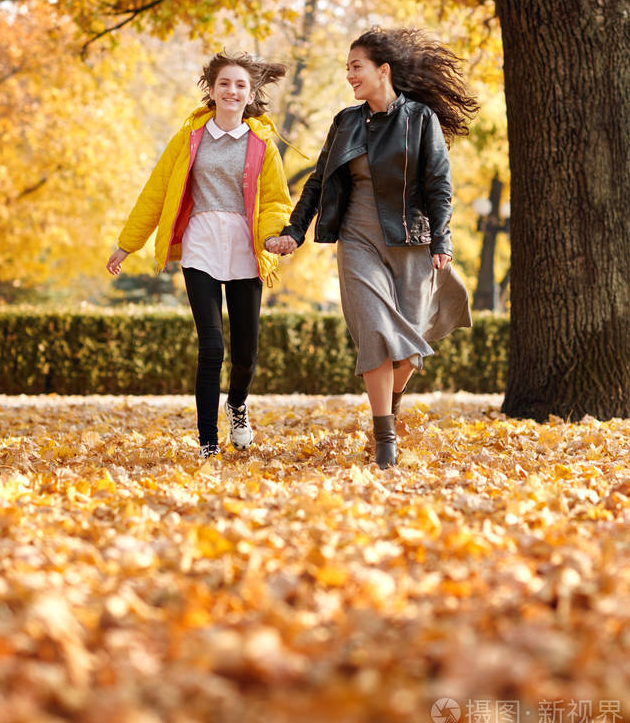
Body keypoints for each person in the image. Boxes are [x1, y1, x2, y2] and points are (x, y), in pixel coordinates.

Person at [266, 27, 478, 469]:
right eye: (346, 68)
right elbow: (319, 181)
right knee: (377, 333)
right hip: (357, 239)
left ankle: (390, 410)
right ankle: (386, 444)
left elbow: (439, 183)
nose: (349, 75)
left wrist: (442, 238)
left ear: (383, 70)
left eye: (356, 66)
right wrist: (295, 230)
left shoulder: (420, 119)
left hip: (410, 240)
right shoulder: (346, 121)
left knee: (408, 348)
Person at [107, 51, 293, 458]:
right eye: (224, 83)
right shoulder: (189, 137)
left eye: (240, 85)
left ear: (250, 94)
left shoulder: (263, 145)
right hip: (201, 244)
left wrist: (272, 237)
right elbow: (156, 192)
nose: (232, 90)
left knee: (246, 353)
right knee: (211, 348)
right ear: (211, 90)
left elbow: (277, 201)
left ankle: (238, 406)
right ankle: (208, 443)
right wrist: (128, 243)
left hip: (246, 248)